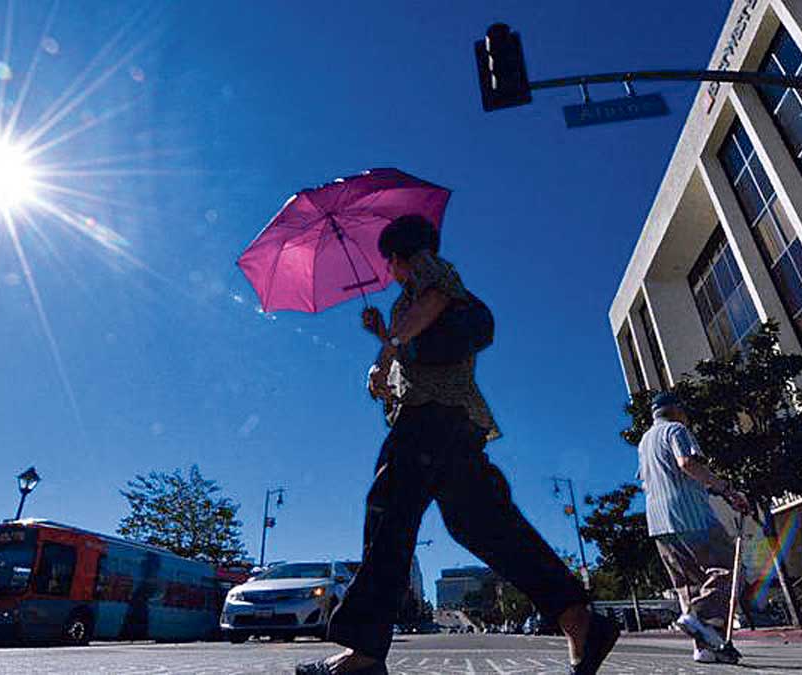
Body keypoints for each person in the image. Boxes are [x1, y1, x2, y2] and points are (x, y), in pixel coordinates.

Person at [297, 215, 619, 675]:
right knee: (483, 524)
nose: (387, 269)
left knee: (389, 514)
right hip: (450, 424)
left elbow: (435, 301)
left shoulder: (431, 270)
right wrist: (381, 367)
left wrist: (388, 345)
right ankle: (579, 619)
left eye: (389, 260)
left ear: (399, 256)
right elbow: (407, 367)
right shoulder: (401, 308)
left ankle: (363, 653)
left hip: (432, 419)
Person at [637, 392, 750, 665]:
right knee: (729, 571)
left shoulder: (644, 442)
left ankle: (705, 648)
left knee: (690, 585)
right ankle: (697, 617)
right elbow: (687, 463)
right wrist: (727, 490)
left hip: (659, 523)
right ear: (676, 410)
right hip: (691, 516)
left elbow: (644, 481)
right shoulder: (677, 430)